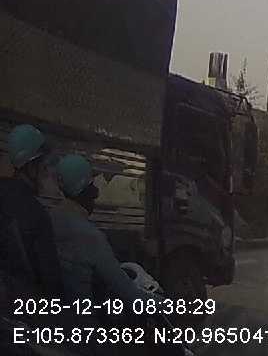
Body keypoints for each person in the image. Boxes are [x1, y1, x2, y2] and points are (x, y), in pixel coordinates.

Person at [49, 154, 155, 307]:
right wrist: (169, 306)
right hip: (85, 318)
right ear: (86, 191)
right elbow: (130, 295)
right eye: (92, 187)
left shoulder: (52, 217)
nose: (96, 194)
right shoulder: (90, 236)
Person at [0, 124, 64, 299]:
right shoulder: (36, 213)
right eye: (44, 166)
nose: (47, 172)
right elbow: (51, 280)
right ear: (31, 167)